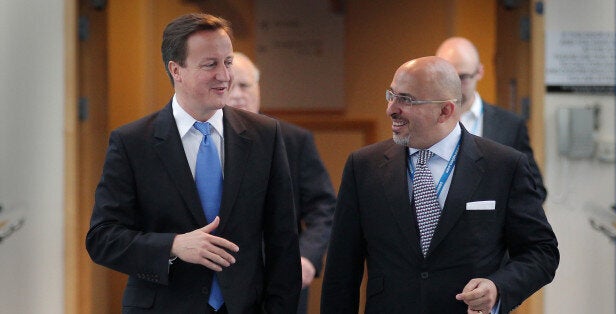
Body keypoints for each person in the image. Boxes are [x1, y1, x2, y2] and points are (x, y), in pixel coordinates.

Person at [85, 13, 301, 314]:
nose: (224, 76)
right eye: (210, 64)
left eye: (226, 62)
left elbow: (283, 242)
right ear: (177, 70)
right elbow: (103, 239)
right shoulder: (132, 142)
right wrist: (173, 246)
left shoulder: (265, 135)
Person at [320, 56, 559, 313]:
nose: (391, 109)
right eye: (391, 95)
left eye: (406, 100)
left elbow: (541, 252)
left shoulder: (503, 166)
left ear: (445, 110)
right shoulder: (364, 166)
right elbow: (341, 270)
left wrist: (498, 287)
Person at [227, 52, 336, 314]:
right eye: (230, 86)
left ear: (259, 88)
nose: (238, 94)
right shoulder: (204, 141)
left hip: (283, 279)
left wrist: (307, 258)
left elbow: (325, 209)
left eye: (245, 85)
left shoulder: (293, 140)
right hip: (222, 281)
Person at [435, 37, 547, 201]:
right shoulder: (425, 122)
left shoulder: (509, 126)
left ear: (480, 72)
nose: (455, 85)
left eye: (463, 77)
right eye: (448, 77)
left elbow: (535, 190)